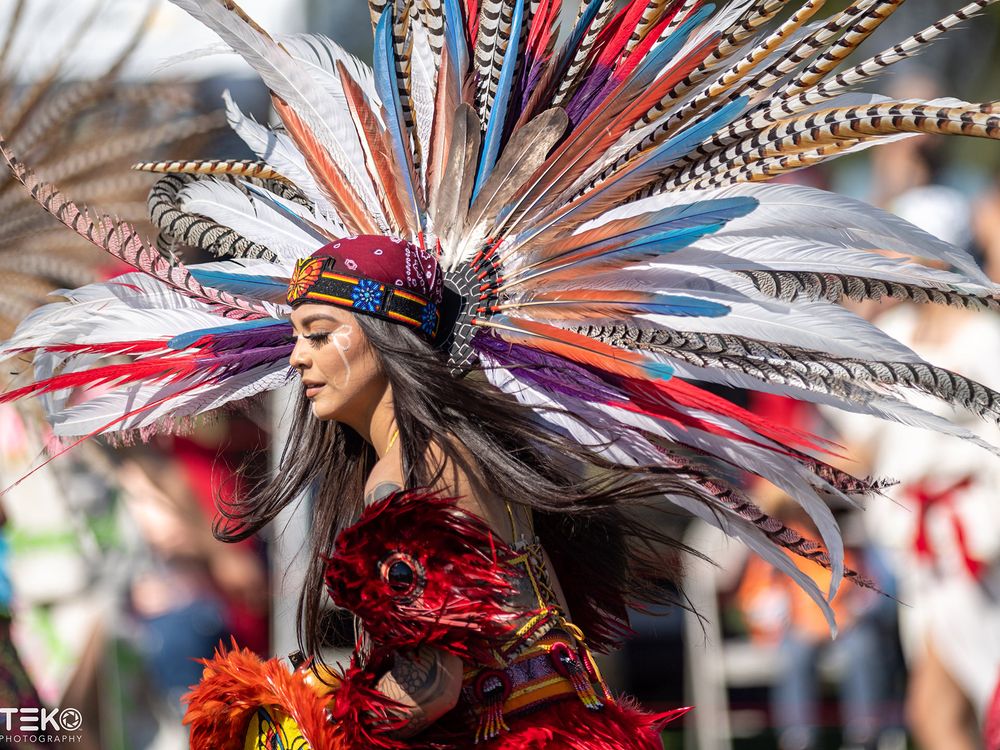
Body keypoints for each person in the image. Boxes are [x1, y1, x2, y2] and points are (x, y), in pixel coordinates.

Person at [4, 0, 1000, 747]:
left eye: (318, 334)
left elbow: (421, 696)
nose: (297, 358)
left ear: (387, 343)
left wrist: (287, 717)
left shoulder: (411, 494)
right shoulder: (463, 458)